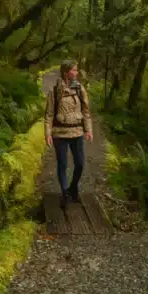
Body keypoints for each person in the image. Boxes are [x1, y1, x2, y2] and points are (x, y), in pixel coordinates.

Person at [45, 60, 94, 208]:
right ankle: (65, 193)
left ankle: (73, 188)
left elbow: (86, 111)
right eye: (74, 70)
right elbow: (48, 115)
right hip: (60, 134)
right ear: (66, 73)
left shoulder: (80, 88)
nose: (77, 73)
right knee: (63, 164)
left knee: (80, 164)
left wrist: (89, 129)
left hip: (77, 132)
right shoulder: (54, 92)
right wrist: (47, 133)